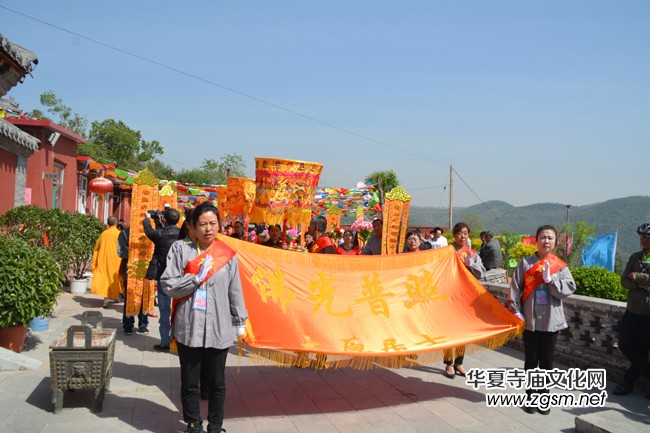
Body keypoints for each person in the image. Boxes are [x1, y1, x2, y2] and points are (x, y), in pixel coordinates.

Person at [160, 202, 248, 433]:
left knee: (217, 384)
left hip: (219, 328)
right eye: (202, 224)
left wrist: (240, 322)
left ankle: (216, 427)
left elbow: (235, 291)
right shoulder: (180, 250)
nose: (208, 228)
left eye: (212, 223)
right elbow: (168, 284)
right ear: (192, 227)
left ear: (219, 225)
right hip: (189, 327)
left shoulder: (228, 256)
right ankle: (193, 424)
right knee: (190, 383)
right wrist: (194, 279)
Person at [507, 225, 576, 415]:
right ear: (536, 240)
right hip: (530, 319)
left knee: (546, 361)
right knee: (531, 360)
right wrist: (516, 310)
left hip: (551, 321)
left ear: (555, 242)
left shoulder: (560, 265)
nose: (546, 241)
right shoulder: (525, 263)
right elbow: (515, 288)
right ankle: (530, 397)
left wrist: (550, 281)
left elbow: (569, 288)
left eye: (550, 238)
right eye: (543, 237)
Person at [443, 222, 486, 379]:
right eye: (460, 233)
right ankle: (448, 362)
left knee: (463, 330)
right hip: (448, 295)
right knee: (449, 330)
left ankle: (459, 362)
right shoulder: (446, 252)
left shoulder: (473, 254)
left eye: (466, 233)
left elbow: (481, 273)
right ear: (454, 235)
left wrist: (471, 265)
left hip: (465, 297)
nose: (463, 236)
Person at [613, 223, 650, 398]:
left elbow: (632, 278)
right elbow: (624, 282)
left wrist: (638, 277)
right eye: (642, 236)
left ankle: (628, 382)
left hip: (648, 313)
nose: (644, 240)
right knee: (625, 344)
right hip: (632, 309)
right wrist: (639, 283)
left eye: (647, 237)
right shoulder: (635, 257)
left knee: (642, 348)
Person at [143, 208, 181, 349]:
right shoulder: (182, 234)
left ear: (164, 219)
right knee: (179, 310)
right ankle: (178, 342)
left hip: (163, 276)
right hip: (179, 277)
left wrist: (147, 218)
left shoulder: (159, 235)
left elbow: (149, 231)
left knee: (164, 311)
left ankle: (165, 342)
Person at [118, 222, 148, 335]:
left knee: (144, 296)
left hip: (145, 269)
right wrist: (133, 251)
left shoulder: (148, 232)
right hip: (130, 269)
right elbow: (120, 252)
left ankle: (143, 324)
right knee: (129, 297)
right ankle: (128, 325)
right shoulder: (125, 234)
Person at [91, 216, 124, 308]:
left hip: (104, 260)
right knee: (115, 279)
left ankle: (105, 300)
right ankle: (116, 297)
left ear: (108, 224)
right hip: (116, 261)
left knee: (105, 279)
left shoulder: (104, 234)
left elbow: (96, 248)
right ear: (116, 223)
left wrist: (95, 262)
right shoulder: (119, 234)